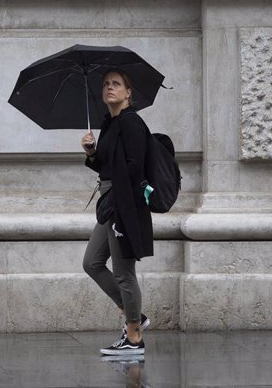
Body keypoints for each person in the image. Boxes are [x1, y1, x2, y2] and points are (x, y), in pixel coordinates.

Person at [81, 68, 154, 356]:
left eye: (116, 84)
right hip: (109, 201)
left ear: (128, 93)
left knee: (124, 273)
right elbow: (108, 166)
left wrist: (120, 202)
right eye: (106, 84)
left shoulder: (132, 123)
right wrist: (91, 153)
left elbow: (137, 166)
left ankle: (134, 336)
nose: (110, 88)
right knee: (92, 263)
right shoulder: (109, 124)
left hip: (124, 204)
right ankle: (135, 313)